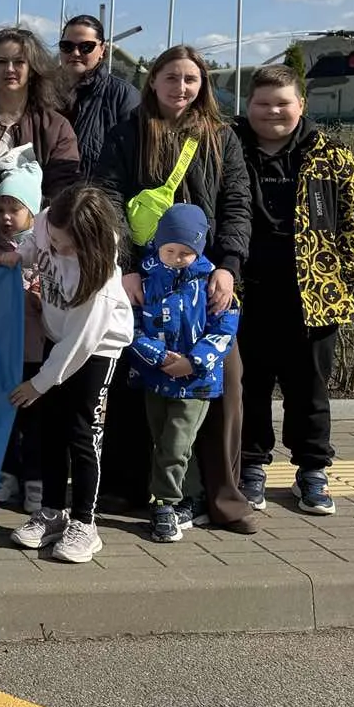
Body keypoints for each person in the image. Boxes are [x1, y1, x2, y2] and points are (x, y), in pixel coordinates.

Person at [96, 45, 258, 534]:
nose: (181, 87)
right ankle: (128, 488)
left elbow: (237, 204)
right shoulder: (128, 132)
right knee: (134, 380)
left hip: (206, 282)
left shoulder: (221, 138)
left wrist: (228, 267)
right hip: (144, 280)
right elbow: (106, 200)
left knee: (224, 379)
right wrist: (125, 267)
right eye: (171, 76)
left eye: (191, 78)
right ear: (153, 80)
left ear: (203, 84)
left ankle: (221, 497)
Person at [235, 65, 354, 517]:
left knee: (309, 389)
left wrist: (343, 276)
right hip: (245, 293)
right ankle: (250, 466)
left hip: (313, 296)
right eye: (263, 103)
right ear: (248, 105)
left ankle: (312, 470)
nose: (273, 111)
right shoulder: (228, 148)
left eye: (283, 103)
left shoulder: (331, 154)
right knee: (248, 385)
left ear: (301, 105)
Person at [0, 183, 135, 564]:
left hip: (96, 349)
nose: (57, 250)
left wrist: (38, 383)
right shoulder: (49, 221)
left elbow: (80, 344)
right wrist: (17, 257)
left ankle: (85, 523)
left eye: (66, 248)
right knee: (50, 428)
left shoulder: (99, 279)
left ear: (90, 242)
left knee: (82, 432)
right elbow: (35, 244)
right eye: (55, 241)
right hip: (57, 335)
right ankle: (51, 512)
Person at [127, 205, 240, 542]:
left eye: (185, 253)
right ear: (158, 245)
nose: (177, 259)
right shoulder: (146, 280)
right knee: (165, 441)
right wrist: (158, 356)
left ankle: (164, 504)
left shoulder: (212, 283)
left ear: (199, 250)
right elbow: (131, 326)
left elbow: (225, 329)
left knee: (176, 443)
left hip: (196, 382)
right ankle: (191, 497)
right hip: (156, 376)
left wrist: (194, 362)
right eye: (170, 251)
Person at [0, 149, 46, 514]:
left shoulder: (44, 252)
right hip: (4, 351)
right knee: (4, 416)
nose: (6, 217)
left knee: (35, 421)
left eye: (15, 209)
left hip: (36, 354)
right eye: (0, 209)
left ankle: (35, 480)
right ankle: (6, 475)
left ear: (32, 212)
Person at [0, 27, 81, 201]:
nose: (9, 69)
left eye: (19, 62)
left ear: (32, 70)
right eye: (1, 62)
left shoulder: (57, 127)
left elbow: (62, 191)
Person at [57, 14, 136, 179]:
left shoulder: (123, 96)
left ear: (102, 50)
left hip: (98, 193)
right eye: (67, 46)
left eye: (86, 46)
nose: (75, 53)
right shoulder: (43, 93)